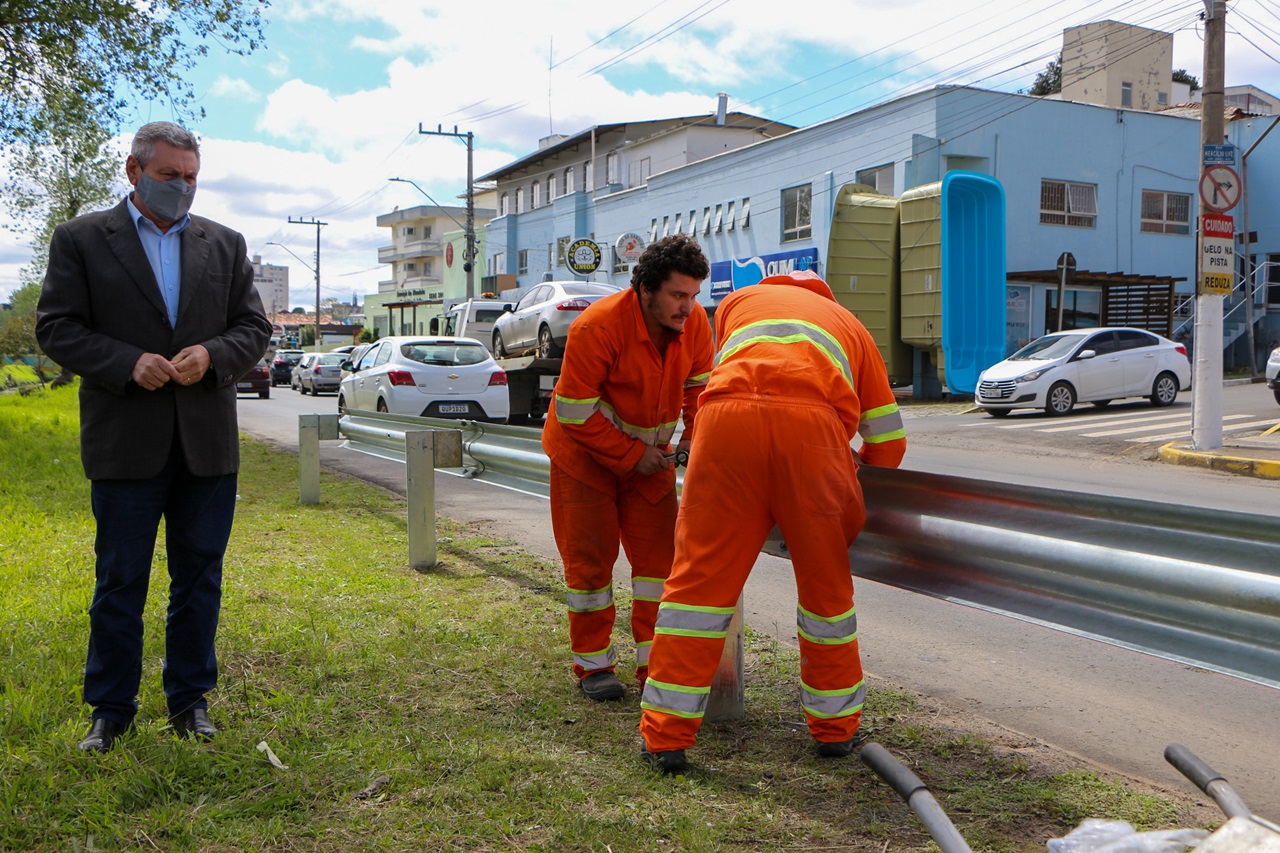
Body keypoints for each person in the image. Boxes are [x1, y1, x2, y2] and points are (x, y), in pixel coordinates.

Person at [36, 121, 271, 752]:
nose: (184, 188)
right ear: (134, 171)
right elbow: (56, 327)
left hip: (206, 444)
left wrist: (214, 354)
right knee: (120, 581)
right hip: (124, 440)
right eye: (170, 176)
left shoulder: (225, 244)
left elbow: (254, 328)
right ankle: (110, 709)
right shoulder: (82, 239)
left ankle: (189, 699)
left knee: (199, 577)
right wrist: (123, 362)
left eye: (192, 178)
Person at [638, 269, 906, 773]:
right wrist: (846, 473)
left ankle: (664, 736)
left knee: (696, 585)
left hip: (724, 426)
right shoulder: (849, 325)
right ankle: (834, 729)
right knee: (826, 590)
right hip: (811, 433)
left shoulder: (739, 304)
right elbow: (889, 443)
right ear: (824, 295)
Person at [542, 233, 714, 701]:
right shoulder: (596, 327)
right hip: (583, 460)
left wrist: (694, 440)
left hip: (650, 464)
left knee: (660, 567)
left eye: (694, 296)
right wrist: (634, 455)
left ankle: (653, 668)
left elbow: (700, 391)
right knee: (591, 564)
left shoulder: (695, 323)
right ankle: (593, 666)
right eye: (678, 295)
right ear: (646, 289)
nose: (687, 307)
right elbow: (574, 412)